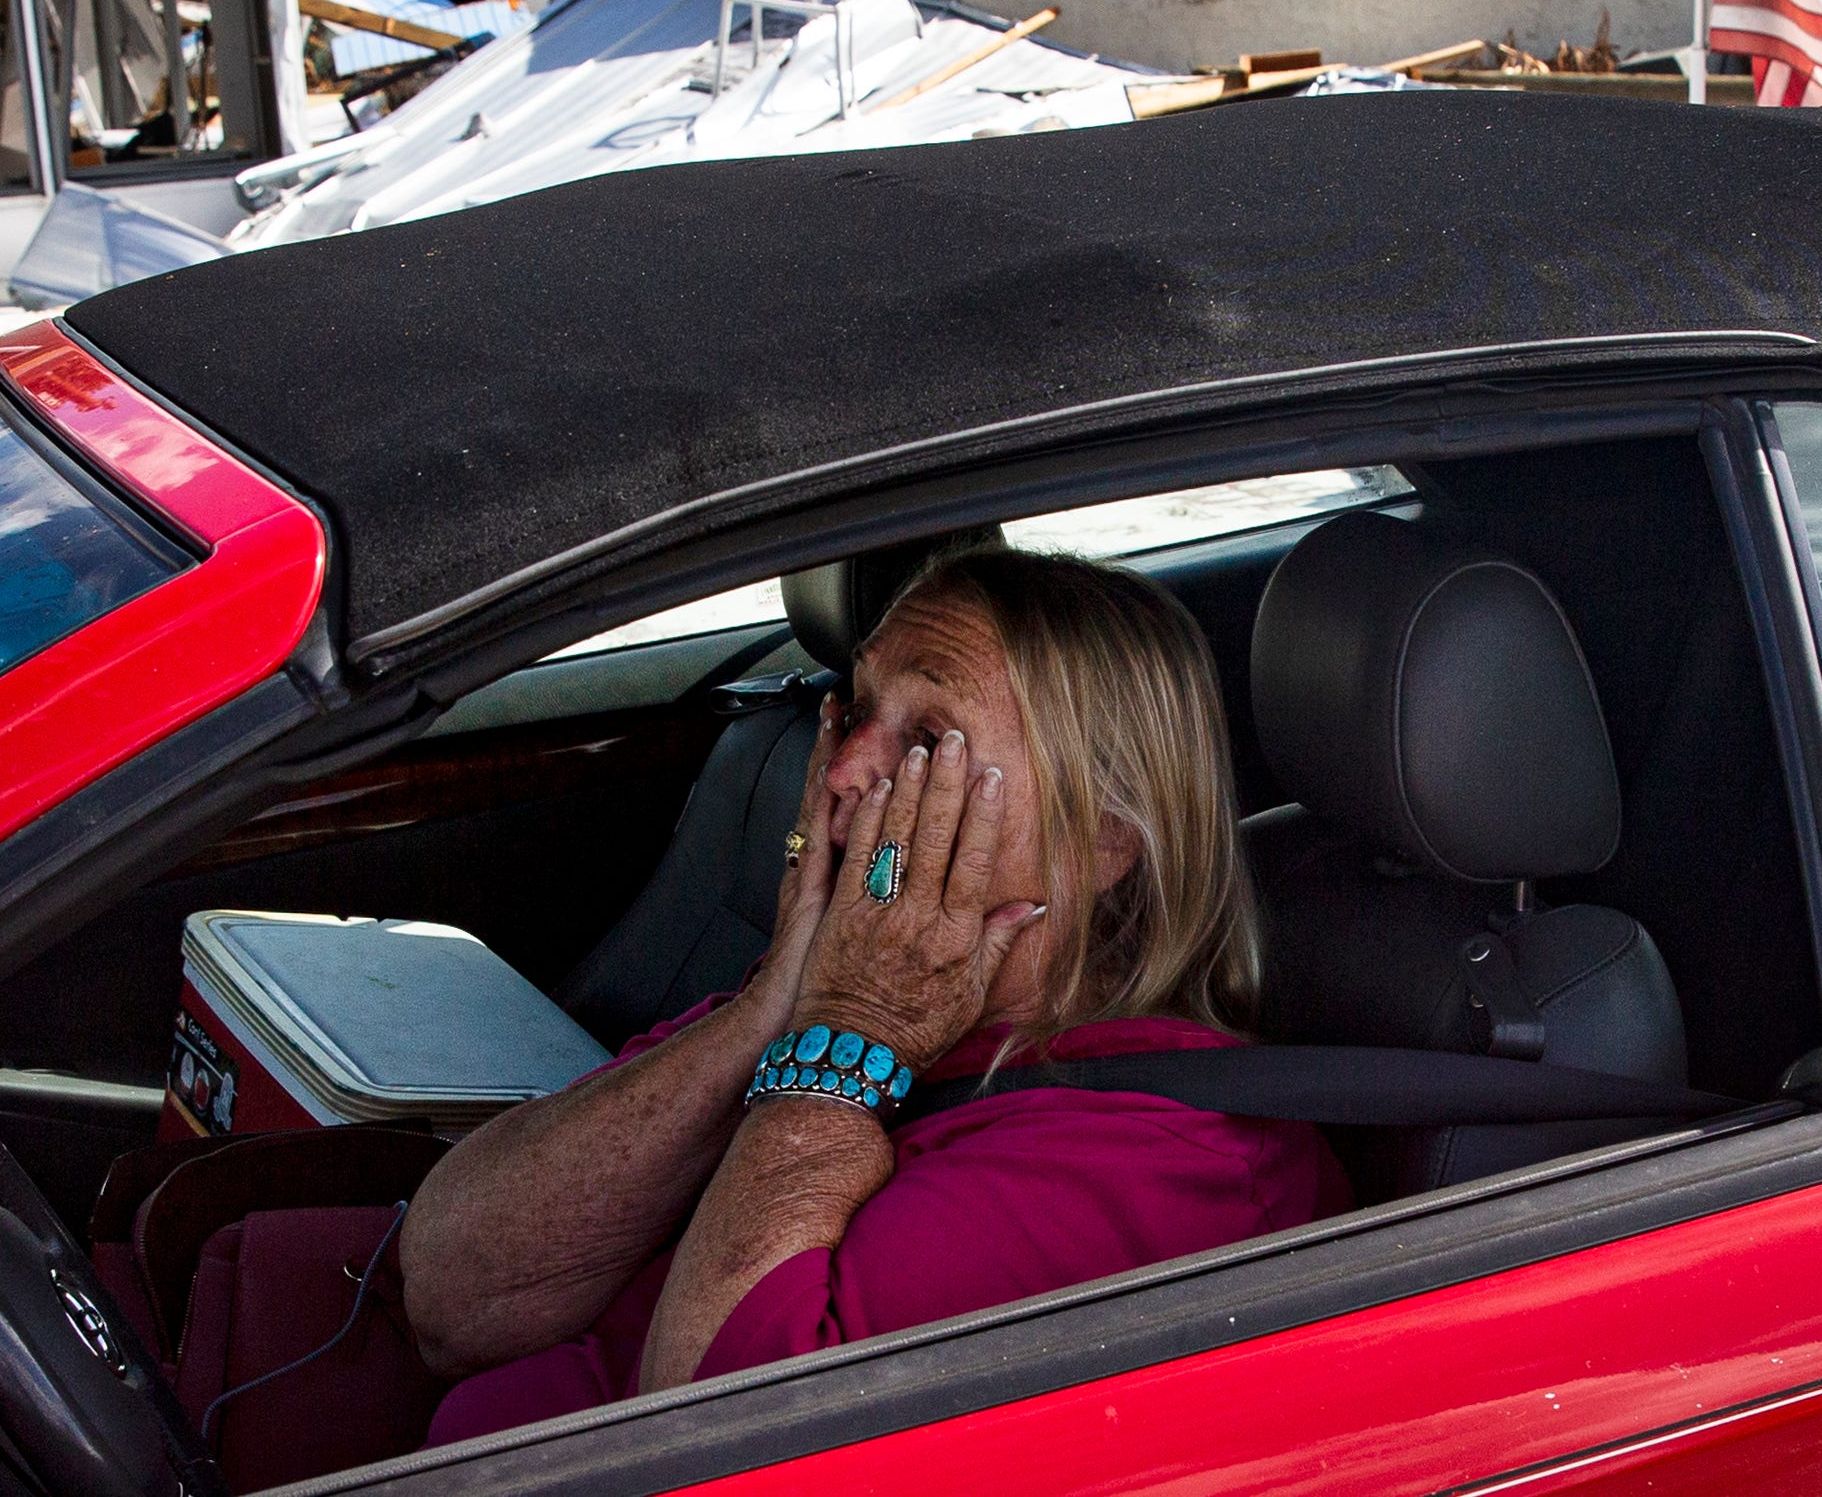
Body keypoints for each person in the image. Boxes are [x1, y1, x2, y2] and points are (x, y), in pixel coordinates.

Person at [401, 550, 1341, 1437]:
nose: (846, 769)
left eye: (927, 741)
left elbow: (712, 1445)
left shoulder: (1150, 1159)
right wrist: (779, 996)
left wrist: (853, 1036)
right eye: (854, 711)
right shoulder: (844, 989)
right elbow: (453, 1289)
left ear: (1100, 839)